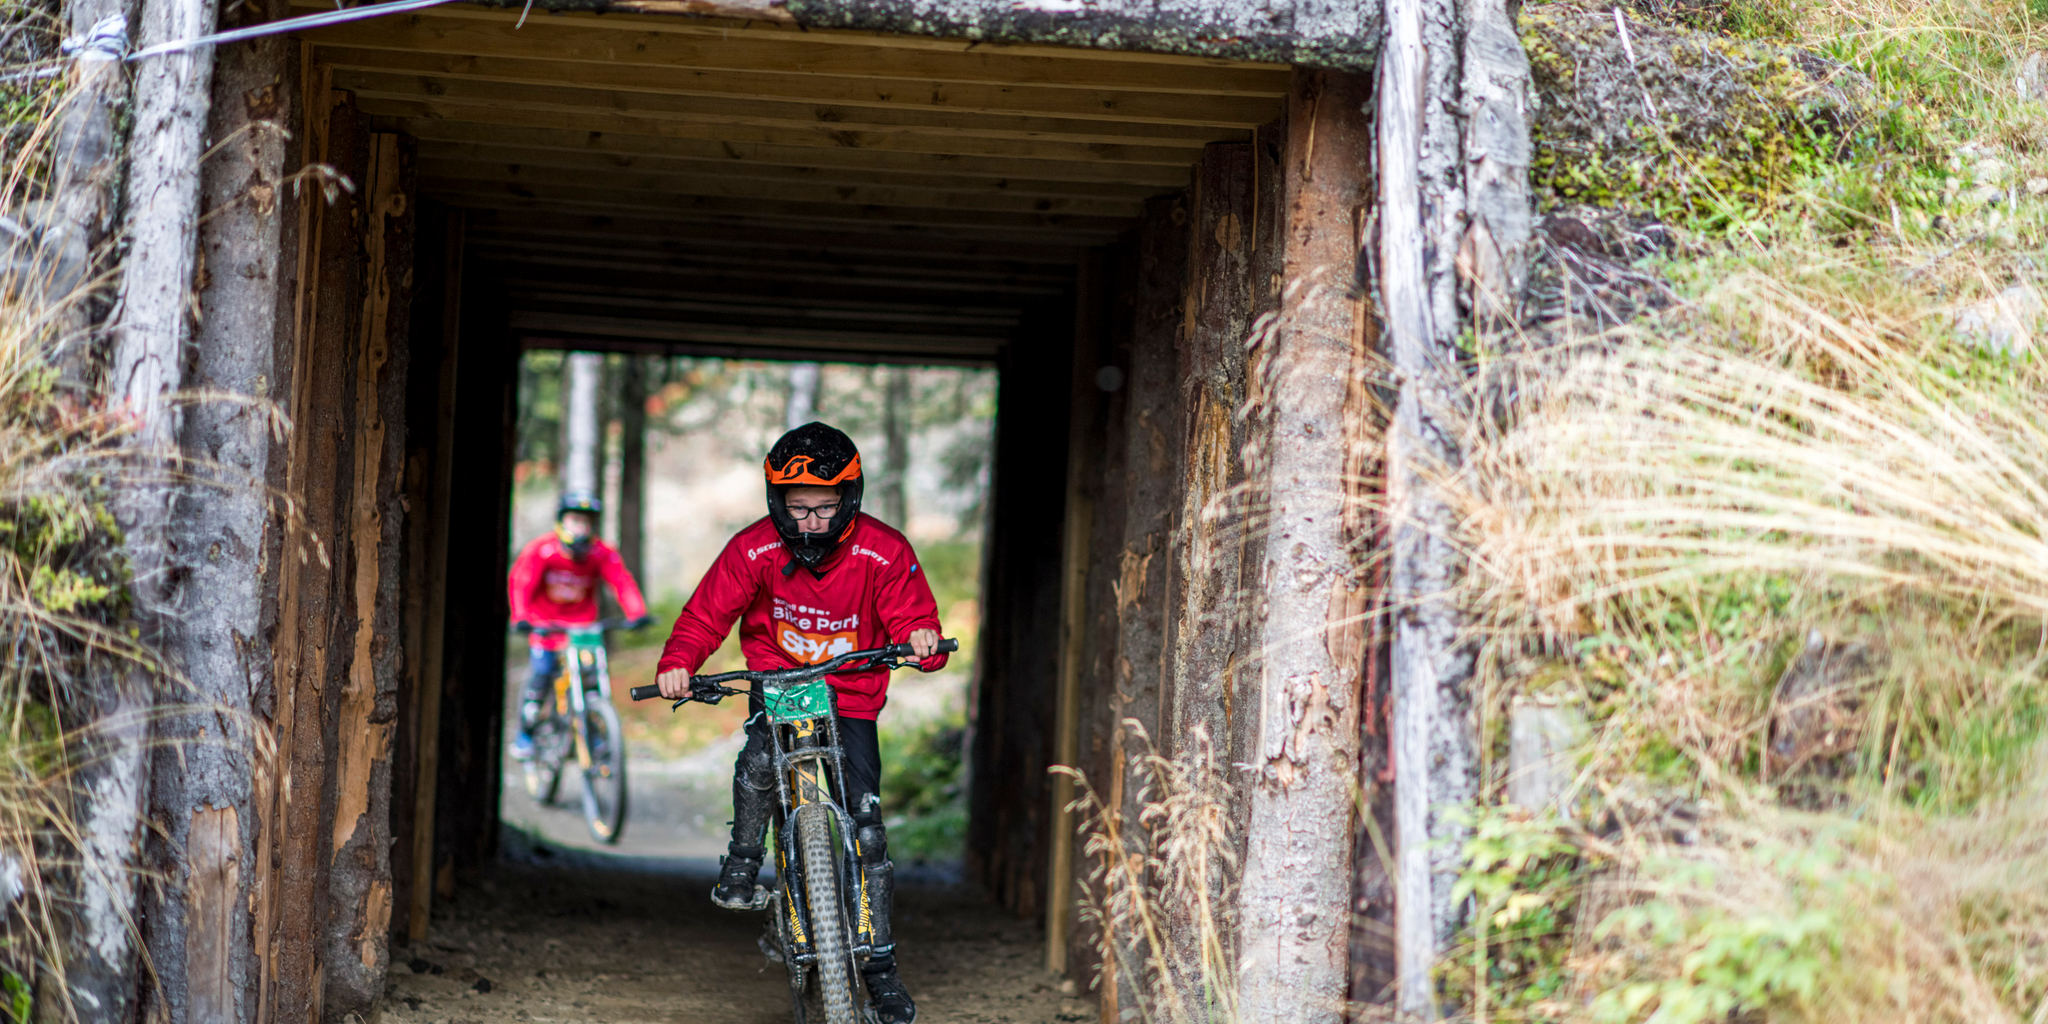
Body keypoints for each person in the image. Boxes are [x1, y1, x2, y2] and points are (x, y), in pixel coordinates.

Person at [654, 422, 943, 1024]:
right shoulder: (753, 549)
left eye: (825, 508)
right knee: (758, 761)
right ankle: (741, 862)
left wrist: (923, 641)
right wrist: (679, 663)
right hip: (780, 685)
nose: (810, 522)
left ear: (850, 498)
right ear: (775, 501)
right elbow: (707, 614)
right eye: (798, 508)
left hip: (853, 693)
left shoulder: (883, 550)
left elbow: (917, 621)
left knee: (866, 829)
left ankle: (882, 974)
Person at [508, 490, 654, 760]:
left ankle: (596, 730)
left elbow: (621, 582)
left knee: (591, 679)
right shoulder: (542, 549)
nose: (581, 527)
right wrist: (521, 616)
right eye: (575, 520)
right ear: (562, 522)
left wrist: (637, 613)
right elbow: (521, 582)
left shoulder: (600, 552)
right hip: (546, 627)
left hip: (583, 627)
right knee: (541, 677)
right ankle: (525, 734)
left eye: (586, 522)